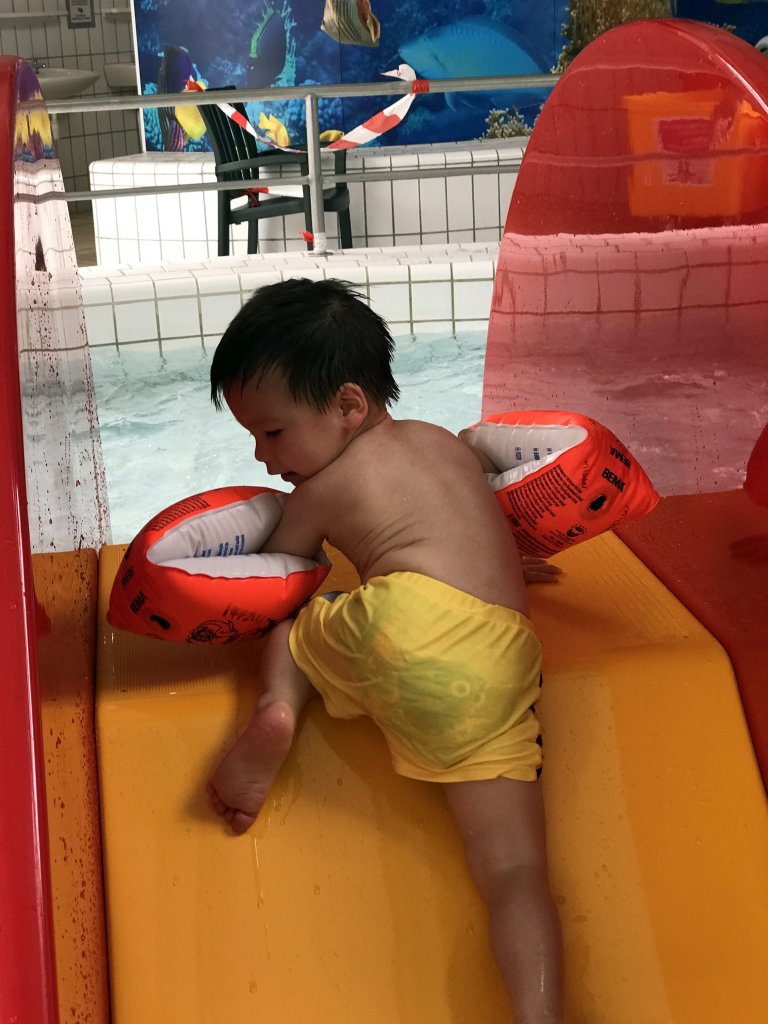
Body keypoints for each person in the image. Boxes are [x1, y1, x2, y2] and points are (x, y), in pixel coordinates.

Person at [206, 277, 564, 1024]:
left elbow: (280, 575)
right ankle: (542, 1016)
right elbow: (467, 536)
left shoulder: (322, 490)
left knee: (302, 615)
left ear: (347, 407)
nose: (264, 457)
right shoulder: (442, 444)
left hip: (403, 628)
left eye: (273, 433)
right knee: (516, 874)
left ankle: (278, 708)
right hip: (499, 650)